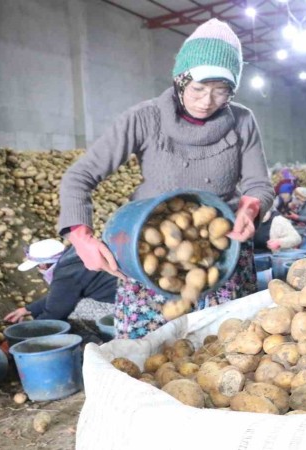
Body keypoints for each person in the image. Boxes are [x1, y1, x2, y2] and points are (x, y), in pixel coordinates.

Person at [56, 19, 274, 339]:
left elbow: (259, 184)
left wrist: (251, 208)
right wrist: (81, 237)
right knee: (149, 350)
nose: (207, 101)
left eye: (221, 91)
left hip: (221, 254)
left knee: (228, 345)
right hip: (151, 253)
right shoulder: (144, 118)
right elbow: (79, 176)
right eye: (198, 88)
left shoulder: (243, 121)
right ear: (180, 80)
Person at [4, 239, 117, 323]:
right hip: (123, 290)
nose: (39, 270)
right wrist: (28, 309)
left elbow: (55, 313)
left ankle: (99, 338)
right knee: (69, 302)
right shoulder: (75, 256)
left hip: (117, 304)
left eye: (38, 266)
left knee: (74, 312)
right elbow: (60, 297)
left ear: (44, 265)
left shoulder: (65, 275)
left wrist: (28, 330)